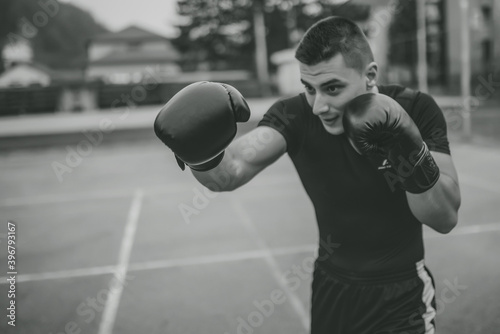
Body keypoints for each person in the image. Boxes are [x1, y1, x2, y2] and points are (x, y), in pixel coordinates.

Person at [154, 16, 461, 334]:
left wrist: (405, 146)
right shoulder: (295, 114)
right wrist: (201, 153)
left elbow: (445, 217)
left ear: (369, 75)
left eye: (332, 88)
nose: (319, 106)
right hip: (331, 290)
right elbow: (229, 171)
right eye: (309, 89)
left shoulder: (415, 108)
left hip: (401, 294)